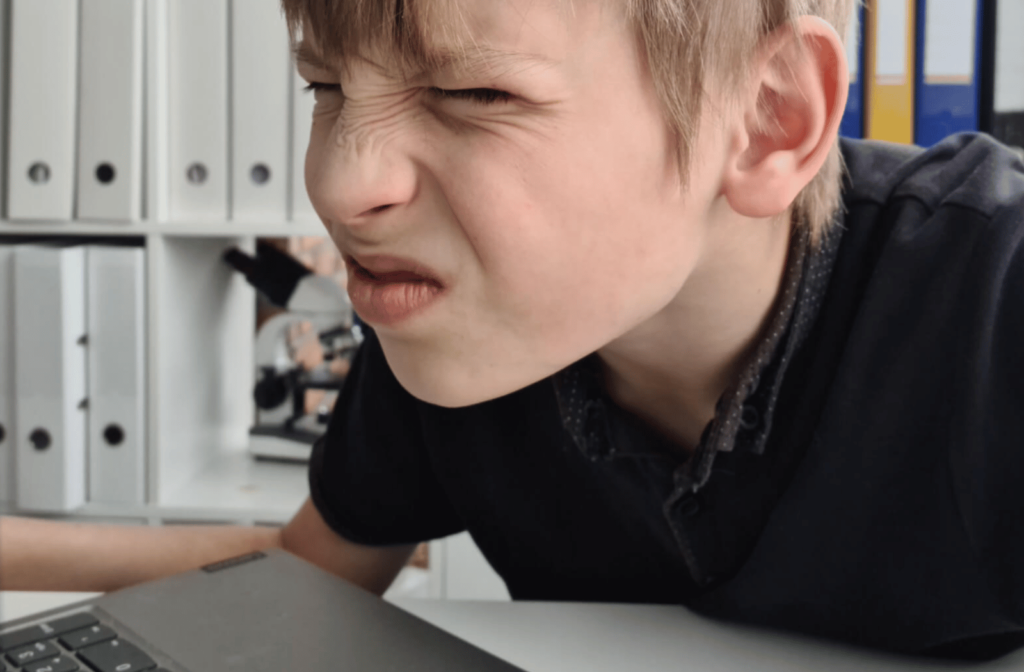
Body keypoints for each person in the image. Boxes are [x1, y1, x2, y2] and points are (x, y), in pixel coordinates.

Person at [3, 0, 1023, 660]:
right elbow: (298, 572)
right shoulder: (447, 323)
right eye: (325, 88)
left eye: (472, 92)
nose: (340, 184)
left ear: (766, 117)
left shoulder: (992, 298)